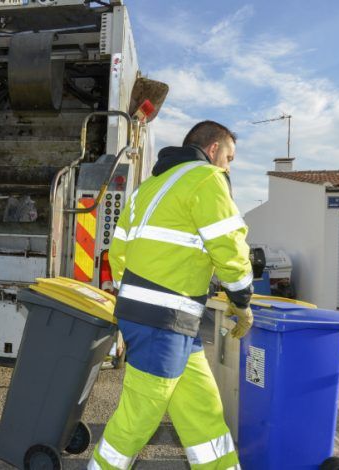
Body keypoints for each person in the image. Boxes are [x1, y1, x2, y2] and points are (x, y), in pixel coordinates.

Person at [89, 121, 254, 469]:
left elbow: (117, 255)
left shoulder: (148, 189)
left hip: (161, 319)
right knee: (138, 418)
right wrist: (241, 300)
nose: (228, 166)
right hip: (166, 319)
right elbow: (228, 247)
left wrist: (139, 301)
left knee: (202, 411)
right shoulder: (207, 179)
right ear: (212, 150)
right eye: (229, 157)